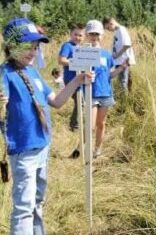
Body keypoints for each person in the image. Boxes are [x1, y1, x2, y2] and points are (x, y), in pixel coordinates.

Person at [0, 17, 94, 235]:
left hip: (42, 146)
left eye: (35, 47)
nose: (32, 51)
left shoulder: (33, 72)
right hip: (23, 150)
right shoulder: (3, 74)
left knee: (37, 201)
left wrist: (77, 81)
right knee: (23, 207)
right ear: (11, 45)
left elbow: (56, 101)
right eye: (27, 46)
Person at [83, 19, 127, 158]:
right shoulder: (82, 52)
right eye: (91, 34)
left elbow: (109, 75)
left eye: (97, 34)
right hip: (91, 93)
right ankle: (83, 148)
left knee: (101, 123)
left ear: (102, 35)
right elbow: (78, 74)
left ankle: (97, 149)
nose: (94, 37)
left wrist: (121, 68)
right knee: (90, 125)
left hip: (105, 93)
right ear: (87, 35)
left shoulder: (107, 55)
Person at [57, 23, 85, 144]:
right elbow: (61, 60)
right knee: (80, 101)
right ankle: (75, 125)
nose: (78, 37)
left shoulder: (81, 47)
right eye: (75, 34)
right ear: (70, 34)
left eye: (80, 35)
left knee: (80, 101)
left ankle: (75, 123)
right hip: (70, 79)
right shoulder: (67, 46)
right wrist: (75, 62)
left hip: (79, 78)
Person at [103, 16, 135, 93]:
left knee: (123, 82)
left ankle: (125, 101)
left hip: (123, 61)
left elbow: (127, 44)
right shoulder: (117, 31)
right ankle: (125, 99)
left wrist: (117, 55)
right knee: (123, 82)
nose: (108, 30)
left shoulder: (121, 30)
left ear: (111, 23)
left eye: (107, 28)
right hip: (120, 61)